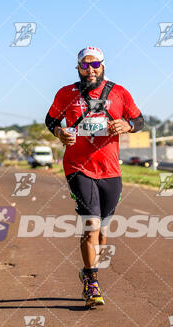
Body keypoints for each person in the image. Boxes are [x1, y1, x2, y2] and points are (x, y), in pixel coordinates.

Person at [45, 46, 144, 307]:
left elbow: (139, 120)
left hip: (110, 170)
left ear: (103, 66)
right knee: (91, 225)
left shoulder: (120, 93)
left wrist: (128, 125)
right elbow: (51, 120)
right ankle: (91, 282)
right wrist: (59, 133)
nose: (90, 70)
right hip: (78, 167)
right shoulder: (66, 94)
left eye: (95, 65)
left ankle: (88, 272)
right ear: (78, 68)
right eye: (84, 65)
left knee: (101, 230)